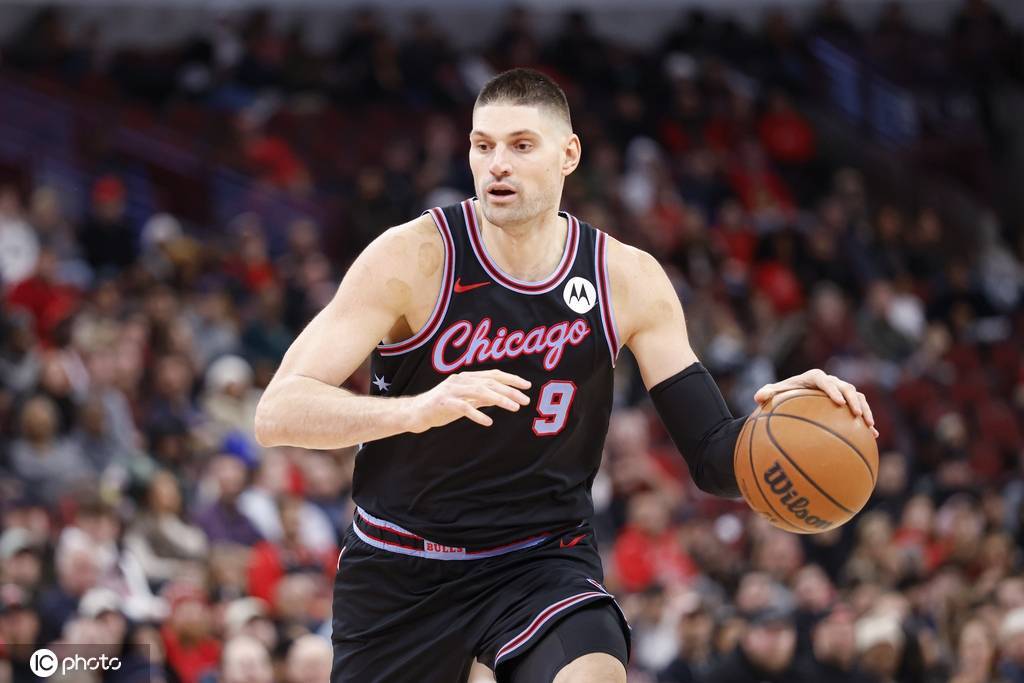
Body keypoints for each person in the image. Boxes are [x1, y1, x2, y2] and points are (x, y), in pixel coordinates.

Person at [255, 68, 877, 683]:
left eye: (521, 145)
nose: (498, 164)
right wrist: (415, 410)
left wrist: (777, 419)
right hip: (401, 565)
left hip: (541, 560)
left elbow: (713, 457)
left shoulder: (626, 279)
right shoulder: (414, 257)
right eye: (482, 146)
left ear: (568, 155)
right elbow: (278, 412)